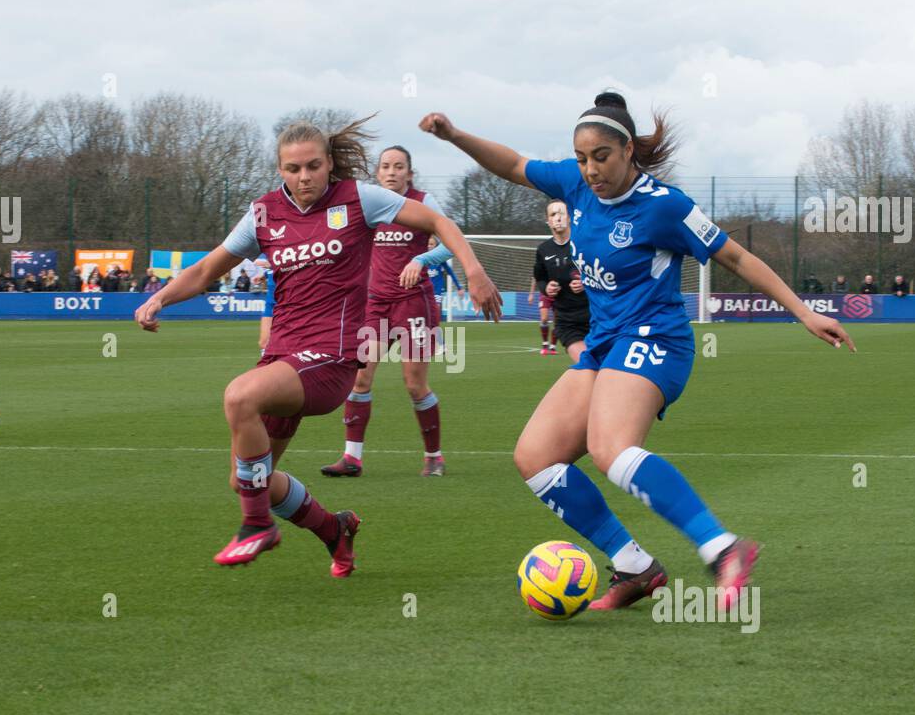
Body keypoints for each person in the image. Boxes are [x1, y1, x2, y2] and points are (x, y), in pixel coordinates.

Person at [419, 91, 853, 612]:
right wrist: (455, 135)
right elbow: (513, 164)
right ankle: (635, 566)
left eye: (601, 156)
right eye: (581, 158)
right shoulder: (574, 184)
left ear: (627, 150)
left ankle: (723, 549)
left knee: (611, 448)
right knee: (534, 458)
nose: (590, 169)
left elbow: (734, 256)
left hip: (656, 340)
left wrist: (802, 311)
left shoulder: (664, 206)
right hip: (603, 344)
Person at [133, 116, 501, 576]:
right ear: (279, 169)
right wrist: (160, 298)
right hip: (283, 357)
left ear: (329, 164)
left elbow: (437, 221)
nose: (303, 177)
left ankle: (257, 527)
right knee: (249, 480)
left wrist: (473, 268)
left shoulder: (358, 199)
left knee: (239, 396)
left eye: (312, 166)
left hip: (335, 356)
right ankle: (335, 529)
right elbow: (208, 270)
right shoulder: (263, 213)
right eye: (292, 168)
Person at [320, 145, 455, 478]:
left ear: (409, 173)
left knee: (414, 385)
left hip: (413, 304)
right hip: (373, 304)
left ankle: (433, 456)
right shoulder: (368, 205)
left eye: (399, 166)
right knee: (360, 378)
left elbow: (452, 243)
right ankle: (352, 458)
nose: (392, 171)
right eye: (385, 166)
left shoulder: (423, 203)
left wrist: (421, 259)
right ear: (377, 173)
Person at [530, 200, 590, 362]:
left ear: (569, 217)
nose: (558, 218)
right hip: (567, 322)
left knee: (605, 367)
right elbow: (540, 278)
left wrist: (587, 282)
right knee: (587, 363)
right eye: (553, 214)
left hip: (596, 317)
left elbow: (608, 274)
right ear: (548, 221)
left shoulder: (586, 243)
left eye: (561, 213)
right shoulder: (543, 250)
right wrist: (546, 288)